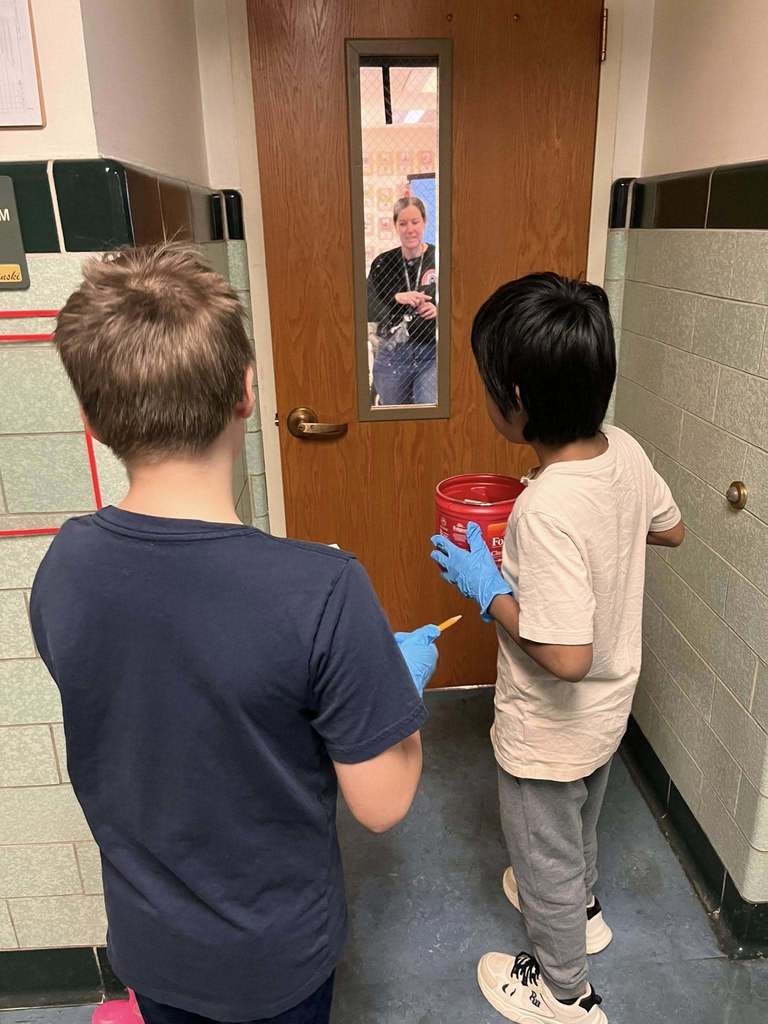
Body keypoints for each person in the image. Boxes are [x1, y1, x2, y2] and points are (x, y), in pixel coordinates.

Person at [30, 244, 441, 1024]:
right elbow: (382, 803)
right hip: (275, 964)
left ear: (90, 418)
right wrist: (397, 687)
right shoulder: (322, 590)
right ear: (248, 391)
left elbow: (158, 700)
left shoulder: (65, 566)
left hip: (150, 948)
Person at [430, 273, 684, 1024]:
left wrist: (490, 591)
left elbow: (565, 657)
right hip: (609, 711)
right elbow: (670, 529)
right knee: (579, 823)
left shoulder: (543, 510)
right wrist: (600, 531)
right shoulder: (623, 449)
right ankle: (586, 909)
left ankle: (564, 991)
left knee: (542, 854)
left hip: (548, 728)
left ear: (516, 399)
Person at [367, 195, 438, 406]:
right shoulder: (382, 263)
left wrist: (438, 310)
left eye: (415, 222)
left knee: (428, 411)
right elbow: (367, 307)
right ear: (395, 226)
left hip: (431, 353)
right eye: (403, 223)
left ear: (425, 222)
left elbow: (459, 301)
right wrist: (395, 298)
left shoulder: (439, 258)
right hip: (392, 355)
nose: (410, 229)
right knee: (394, 418)